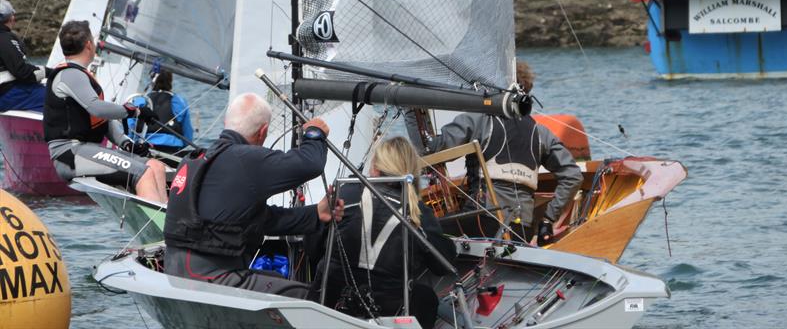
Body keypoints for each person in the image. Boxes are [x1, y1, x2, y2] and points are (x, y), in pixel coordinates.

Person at [163, 93, 343, 296]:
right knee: (313, 298)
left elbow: (259, 221)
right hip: (210, 280)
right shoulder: (245, 159)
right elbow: (310, 164)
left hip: (176, 275)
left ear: (226, 123)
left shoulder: (196, 159)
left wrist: (316, 214)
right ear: (263, 132)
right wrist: (314, 133)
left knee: (278, 282)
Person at [308, 136, 456, 329]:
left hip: (327, 305)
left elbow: (312, 245)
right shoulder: (417, 212)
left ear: (376, 167)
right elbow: (444, 265)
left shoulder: (346, 192)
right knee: (425, 297)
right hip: (384, 313)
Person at [431, 61, 582, 245]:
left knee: (427, 230)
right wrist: (547, 220)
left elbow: (435, 150)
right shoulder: (541, 134)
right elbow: (573, 176)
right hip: (522, 229)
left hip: (481, 222)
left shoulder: (478, 121)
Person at [43, 20, 168, 204]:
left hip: (86, 150)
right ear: (88, 45)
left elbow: (101, 120)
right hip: (70, 154)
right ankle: (157, 229)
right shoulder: (70, 74)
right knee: (144, 173)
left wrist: (126, 143)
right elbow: (97, 108)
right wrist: (134, 111)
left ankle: (169, 227)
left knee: (156, 166)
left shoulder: (80, 75)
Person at [127, 71, 194, 154]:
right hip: (172, 149)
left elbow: (131, 127)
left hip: (145, 147)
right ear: (170, 81)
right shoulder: (180, 102)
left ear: (152, 80)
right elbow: (187, 136)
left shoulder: (141, 100)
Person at [0, 0, 48, 112]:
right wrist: (51, 72)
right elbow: (21, 71)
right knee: (56, 97)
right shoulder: (5, 38)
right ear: (12, 18)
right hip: (7, 95)